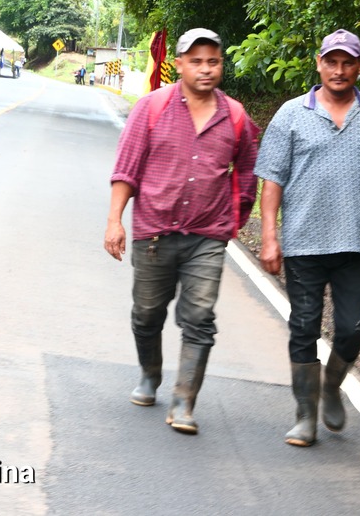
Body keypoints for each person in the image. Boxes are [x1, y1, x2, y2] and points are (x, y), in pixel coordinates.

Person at [255, 29, 360, 447]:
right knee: (304, 326)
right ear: (319, 63)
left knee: (353, 328)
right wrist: (269, 236)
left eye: (348, 62)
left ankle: (332, 383)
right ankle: (305, 415)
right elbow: (271, 180)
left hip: (355, 245)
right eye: (332, 61)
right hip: (303, 243)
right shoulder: (291, 114)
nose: (339, 70)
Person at [104, 28, 259, 435]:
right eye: (197, 61)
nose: (206, 69)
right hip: (153, 233)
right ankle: (150, 374)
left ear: (221, 65)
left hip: (206, 237)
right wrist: (114, 220)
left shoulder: (237, 117)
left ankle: (184, 401)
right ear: (179, 64)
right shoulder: (152, 108)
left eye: (214, 61)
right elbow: (127, 168)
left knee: (200, 319)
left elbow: (246, 172)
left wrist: (235, 219)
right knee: (147, 313)